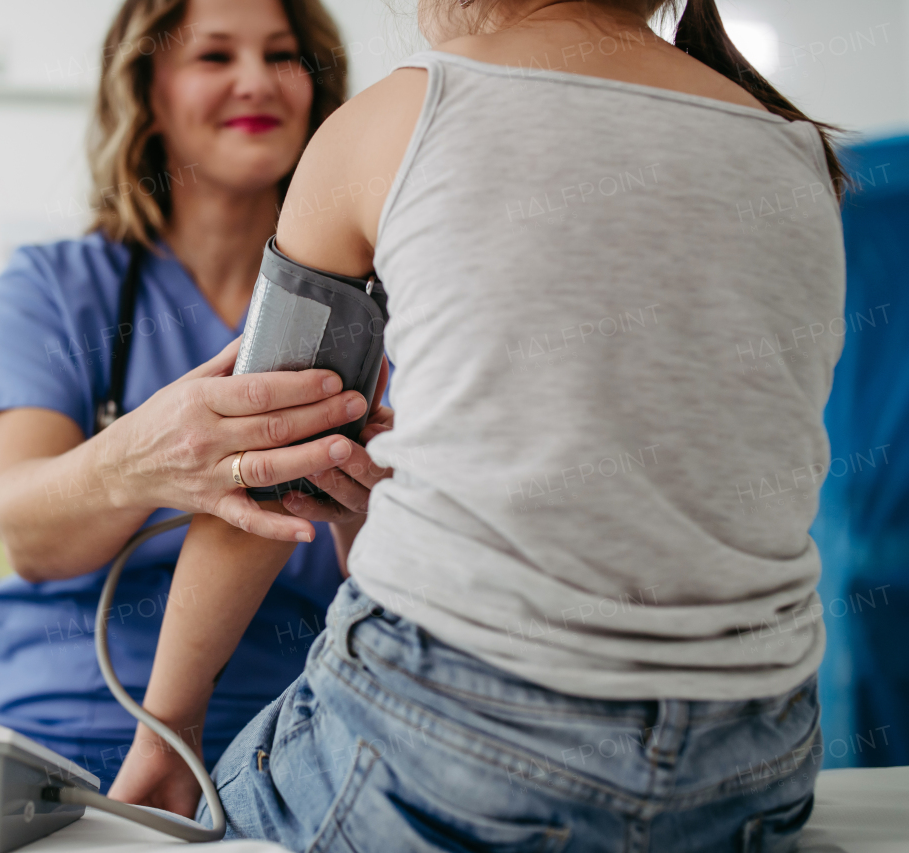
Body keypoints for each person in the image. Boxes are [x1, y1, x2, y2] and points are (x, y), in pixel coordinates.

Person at [109, 0, 847, 849]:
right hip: (755, 752)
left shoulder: (395, 118)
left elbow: (268, 457)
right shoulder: (794, 150)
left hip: (456, 731)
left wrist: (168, 726)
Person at [0, 0, 392, 787]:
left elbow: (387, 573)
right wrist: (140, 461)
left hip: (284, 736)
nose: (257, 82)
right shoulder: (55, 288)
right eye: (215, 57)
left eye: (282, 55)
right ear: (148, 92)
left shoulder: (375, 315)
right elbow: (24, 531)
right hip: (63, 723)